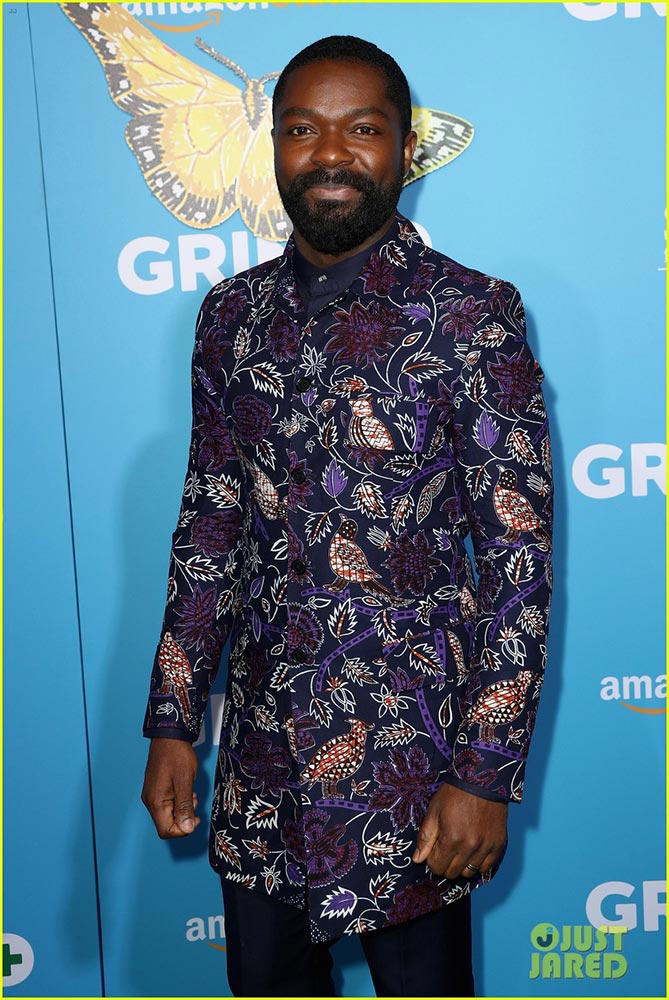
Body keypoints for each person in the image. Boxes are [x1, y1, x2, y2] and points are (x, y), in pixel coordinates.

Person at [141, 34, 553, 998]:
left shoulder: (471, 315)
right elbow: (210, 522)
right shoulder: (229, 317)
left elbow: (516, 559)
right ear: (275, 148)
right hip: (263, 762)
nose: (330, 153)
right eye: (302, 130)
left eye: (361, 129)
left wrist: (484, 773)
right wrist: (173, 718)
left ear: (404, 149)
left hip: (413, 764)